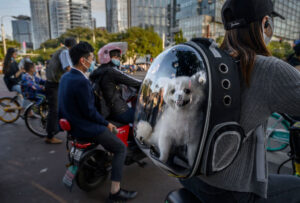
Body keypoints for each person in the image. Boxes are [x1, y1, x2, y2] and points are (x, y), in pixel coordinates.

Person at [179, 0, 300, 202]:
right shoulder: (269, 69)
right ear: (265, 23)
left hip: (190, 174)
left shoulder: (209, 61)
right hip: (231, 191)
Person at [58, 42, 137, 202]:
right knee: (120, 148)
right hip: (86, 127)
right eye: (91, 59)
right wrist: (106, 124)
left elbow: (61, 107)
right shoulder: (81, 81)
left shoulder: (65, 77)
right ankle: (115, 192)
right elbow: (90, 112)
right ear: (83, 60)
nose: (93, 62)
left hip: (72, 127)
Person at [90, 47, 142, 124]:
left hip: (105, 111)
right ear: (109, 58)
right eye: (116, 57)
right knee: (144, 115)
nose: (118, 59)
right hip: (119, 111)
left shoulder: (97, 71)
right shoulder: (111, 71)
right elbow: (134, 82)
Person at [45, 37, 77, 144]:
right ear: (73, 46)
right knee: (54, 110)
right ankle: (50, 136)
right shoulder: (65, 52)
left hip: (55, 83)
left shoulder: (61, 51)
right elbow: (68, 68)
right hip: (54, 85)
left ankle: (59, 128)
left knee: (64, 105)